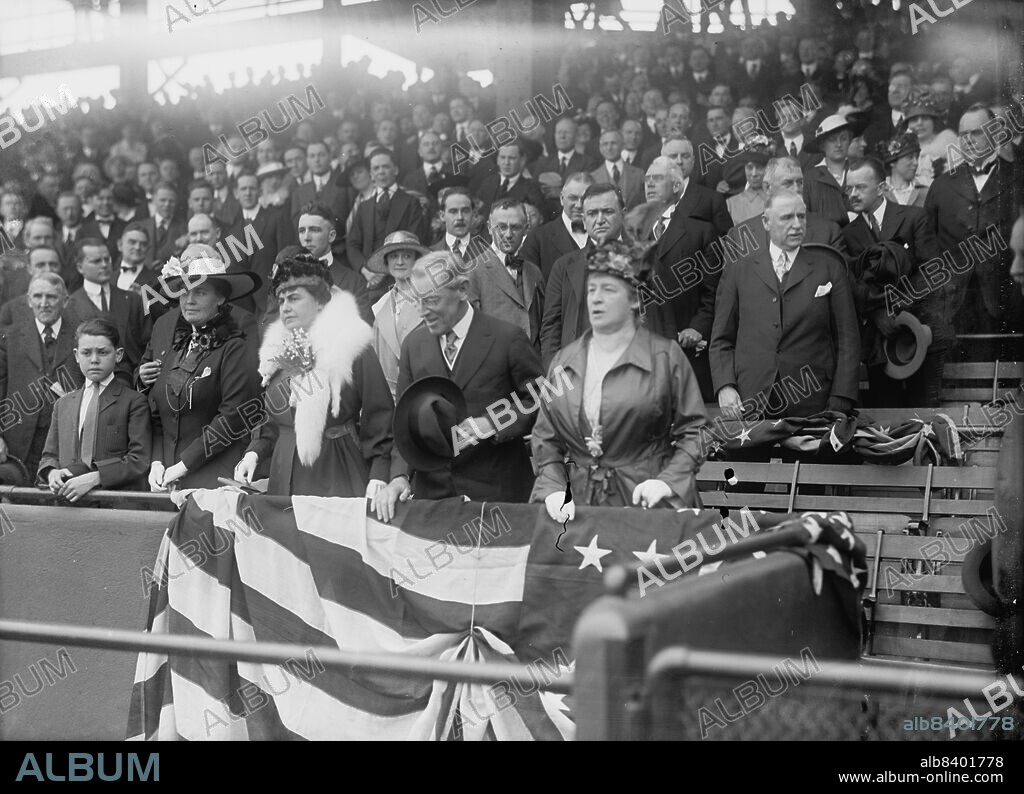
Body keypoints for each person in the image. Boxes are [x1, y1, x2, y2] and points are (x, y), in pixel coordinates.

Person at [531, 239, 707, 516]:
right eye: (591, 289)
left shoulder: (664, 357)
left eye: (609, 290)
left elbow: (695, 431)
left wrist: (668, 482)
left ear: (635, 299)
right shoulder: (564, 363)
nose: (596, 298)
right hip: (579, 509)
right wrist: (553, 487)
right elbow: (546, 438)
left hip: (649, 503)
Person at [373, 251, 544, 518]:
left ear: (463, 289)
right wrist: (399, 477)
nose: (422, 312)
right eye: (416, 301)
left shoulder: (507, 338)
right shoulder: (413, 346)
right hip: (434, 500)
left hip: (499, 498)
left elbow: (540, 399)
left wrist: (493, 422)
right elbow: (405, 424)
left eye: (431, 300)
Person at [234, 253, 395, 498]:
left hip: (335, 468)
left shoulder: (352, 346)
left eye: (294, 298)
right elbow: (273, 418)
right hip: (283, 474)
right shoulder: (278, 351)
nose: (285, 307)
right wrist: (254, 452)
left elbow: (380, 416)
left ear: (320, 301)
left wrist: (379, 475)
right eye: (281, 299)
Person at [711, 193, 861, 420]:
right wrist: (725, 386)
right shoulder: (739, 270)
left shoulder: (829, 267)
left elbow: (847, 338)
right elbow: (721, 338)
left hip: (814, 398)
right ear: (766, 222)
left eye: (802, 216)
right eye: (787, 217)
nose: (797, 225)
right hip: (751, 398)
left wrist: (841, 397)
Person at [146, 256, 261, 491]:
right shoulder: (178, 347)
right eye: (184, 292)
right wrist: (156, 461)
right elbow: (157, 412)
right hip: (166, 479)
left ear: (220, 298)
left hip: (213, 478)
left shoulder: (234, 348)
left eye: (200, 293)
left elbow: (232, 417)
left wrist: (184, 465)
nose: (189, 300)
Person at [925, 104, 1021, 363]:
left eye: (976, 133)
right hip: (952, 308)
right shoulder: (941, 186)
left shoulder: (1018, 179)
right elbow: (927, 248)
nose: (968, 140)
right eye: (963, 134)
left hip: (1006, 304)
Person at [842, 157, 940, 406]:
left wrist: (898, 312)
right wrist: (878, 315)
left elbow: (930, 271)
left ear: (882, 187)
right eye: (849, 188)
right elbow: (853, 284)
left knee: (922, 407)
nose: (852, 194)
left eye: (860, 187)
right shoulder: (848, 234)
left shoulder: (914, 218)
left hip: (916, 329)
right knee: (885, 408)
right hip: (877, 339)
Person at [38, 318, 151, 498]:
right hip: (68, 501)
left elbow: (139, 460)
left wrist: (95, 478)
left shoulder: (134, 402)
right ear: (76, 356)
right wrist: (52, 473)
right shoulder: (63, 404)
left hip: (113, 502)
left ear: (118, 354)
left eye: (102, 352)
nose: (94, 360)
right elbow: (49, 455)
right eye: (86, 353)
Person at [0, 273, 86, 477]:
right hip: (18, 443)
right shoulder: (9, 337)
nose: (44, 303)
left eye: (51, 297)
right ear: (29, 300)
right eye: (37, 296)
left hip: (67, 442)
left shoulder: (82, 335)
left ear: (65, 300)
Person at [541, 184, 627, 367]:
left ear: (623, 214)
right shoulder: (563, 267)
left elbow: (661, 325)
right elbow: (551, 328)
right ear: (584, 219)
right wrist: (554, 371)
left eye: (608, 212)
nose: (600, 220)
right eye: (592, 213)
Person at [347, 148, 428, 305]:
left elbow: (414, 240)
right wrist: (366, 270)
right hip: (369, 283)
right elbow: (352, 244)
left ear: (395, 170)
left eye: (385, 166)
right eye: (376, 168)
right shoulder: (364, 207)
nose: (381, 172)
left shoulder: (411, 202)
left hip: (401, 280)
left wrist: (381, 271)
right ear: (371, 174)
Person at [65, 237, 148, 383]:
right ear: (79, 267)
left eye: (107, 259)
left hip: (131, 382)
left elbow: (147, 342)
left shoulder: (133, 300)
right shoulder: (69, 306)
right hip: (86, 384)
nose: (104, 265)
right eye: (96, 261)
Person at [466, 200, 544, 351]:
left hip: (531, 360)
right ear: (489, 228)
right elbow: (470, 333)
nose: (508, 234)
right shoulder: (473, 272)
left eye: (515, 227)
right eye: (501, 227)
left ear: (526, 229)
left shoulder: (534, 272)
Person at [368, 232, 429, 399]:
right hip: (388, 399)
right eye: (394, 256)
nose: (400, 262)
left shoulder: (431, 299)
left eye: (407, 256)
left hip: (424, 395)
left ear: (416, 260)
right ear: (386, 262)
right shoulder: (380, 306)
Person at [296, 203, 373, 325]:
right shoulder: (286, 276)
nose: (306, 238)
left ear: (331, 236)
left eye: (314, 230)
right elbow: (270, 321)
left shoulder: (354, 282)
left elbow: (366, 329)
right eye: (302, 231)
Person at [519, 173, 593, 281]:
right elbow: (528, 286)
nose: (579, 205)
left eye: (585, 199)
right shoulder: (537, 239)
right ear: (562, 198)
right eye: (573, 198)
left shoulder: (606, 236)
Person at [904, 98, 957, 187]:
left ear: (934, 122)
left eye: (925, 118)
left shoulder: (948, 145)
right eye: (914, 120)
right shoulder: (902, 149)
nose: (919, 123)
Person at [429, 187, 490, 261]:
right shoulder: (430, 254)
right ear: (442, 216)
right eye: (453, 212)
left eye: (465, 211)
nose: (460, 217)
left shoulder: (488, 252)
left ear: (473, 214)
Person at [589, 130, 645, 211]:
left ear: (622, 145)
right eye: (605, 144)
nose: (609, 148)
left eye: (613, 143)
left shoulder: (639, 174)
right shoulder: (593, 177)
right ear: (600, 148)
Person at [877, 132, 927, 208]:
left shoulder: (925, 193)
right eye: (910, 157)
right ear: (892, 162)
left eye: (916, 157)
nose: (916, 163)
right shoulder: (879, 193)